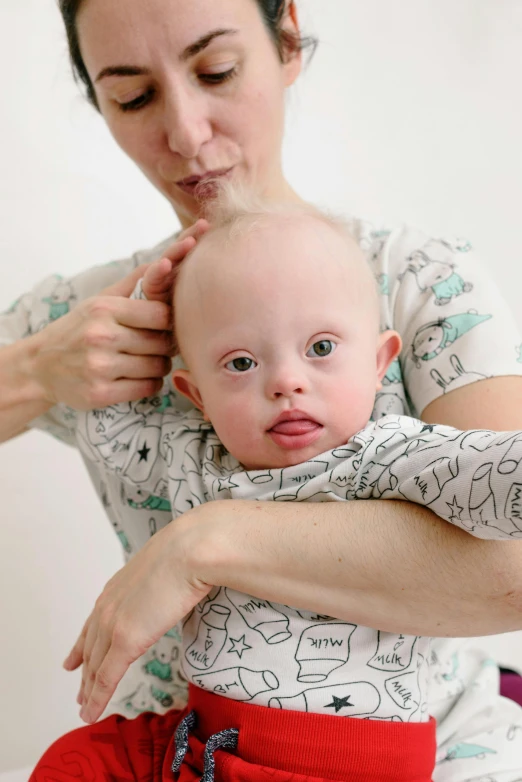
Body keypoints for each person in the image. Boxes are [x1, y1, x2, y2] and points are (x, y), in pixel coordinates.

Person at [1, 0, 522, 778]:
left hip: (420, 743)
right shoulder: (96, 317)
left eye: (216, 71)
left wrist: (200, 547)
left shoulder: (418, 282)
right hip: (177, 743)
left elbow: (511, 570)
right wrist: (36, 367)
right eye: (133, 95)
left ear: (285, 42)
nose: (185, 131)